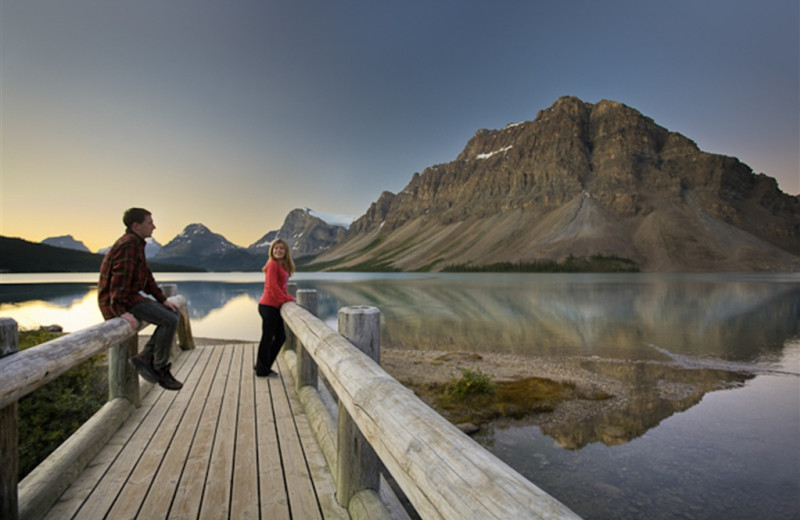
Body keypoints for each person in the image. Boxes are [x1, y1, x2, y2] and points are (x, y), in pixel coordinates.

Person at [98, 207, 183, 390]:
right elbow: (119, 280)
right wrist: (120, 312)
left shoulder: (136, 243)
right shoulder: (128, 244)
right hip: (121, 300)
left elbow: (146, 276)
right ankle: (160, 368)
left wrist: (162, 300)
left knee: (173, 314)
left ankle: (145, 356)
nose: (154, 227)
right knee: (168, 320)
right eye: (150, 223)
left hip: (129, 297)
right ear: (136, 226)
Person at [254, 238, 295, 377]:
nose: (278, 250)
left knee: (279, 337)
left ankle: (262, 365)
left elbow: (280, 286)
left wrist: (284, 297)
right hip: (268, 306)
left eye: (281, 248)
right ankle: (262, 369)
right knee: (268, 338)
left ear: (286, 251)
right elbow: (272, 286)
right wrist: (286, 298)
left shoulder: (281, 265)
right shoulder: (272, 264)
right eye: (276, 248)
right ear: (272, 251)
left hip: (274, 306)